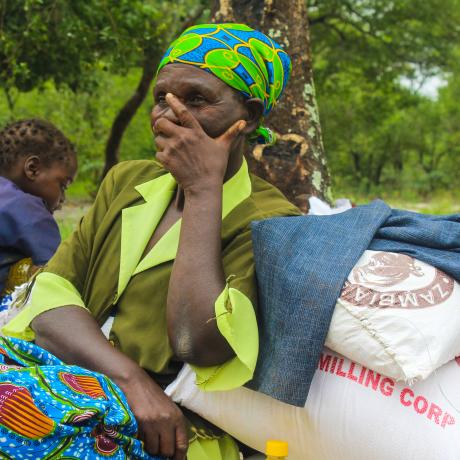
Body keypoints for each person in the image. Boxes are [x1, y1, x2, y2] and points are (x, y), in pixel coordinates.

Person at [3, 24, 300, 460]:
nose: (168, 113)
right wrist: (130, 379)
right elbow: (50, 297)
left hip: (172, 429)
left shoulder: (270, 221)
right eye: (162, 97)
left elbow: (196, 344)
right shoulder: (128, 181)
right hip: (79, 379)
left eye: (196, 99)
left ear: (249, 116)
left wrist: (202, 190)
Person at [0, 119, 77, 298]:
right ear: (33, 169)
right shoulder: (27, 208)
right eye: (63, 185)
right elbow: (58, 273)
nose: (63, 199)